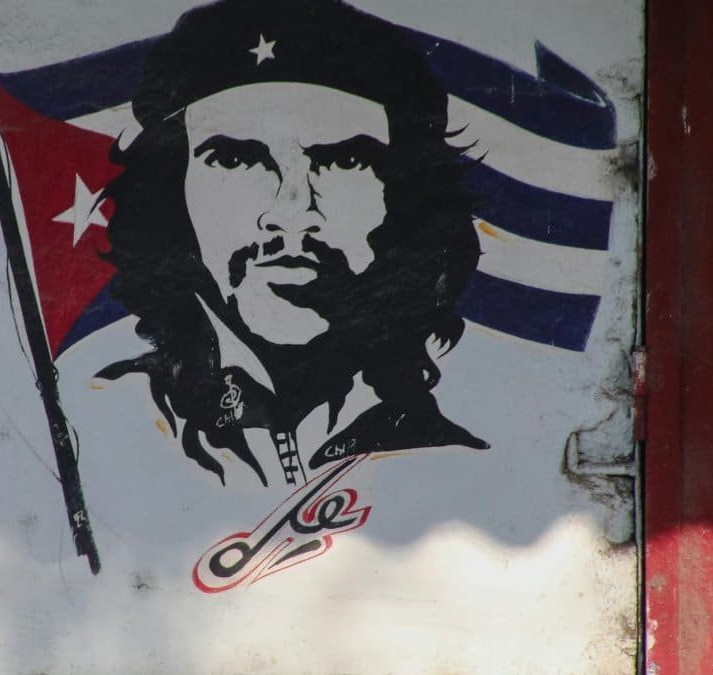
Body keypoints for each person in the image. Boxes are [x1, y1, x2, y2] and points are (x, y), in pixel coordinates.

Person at [94, 0, 488, 488]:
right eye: (237, 159)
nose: (292, 213)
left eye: (345, 160)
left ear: (407, 196)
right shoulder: (104, 427)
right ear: (171, 192)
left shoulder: (458, 467)